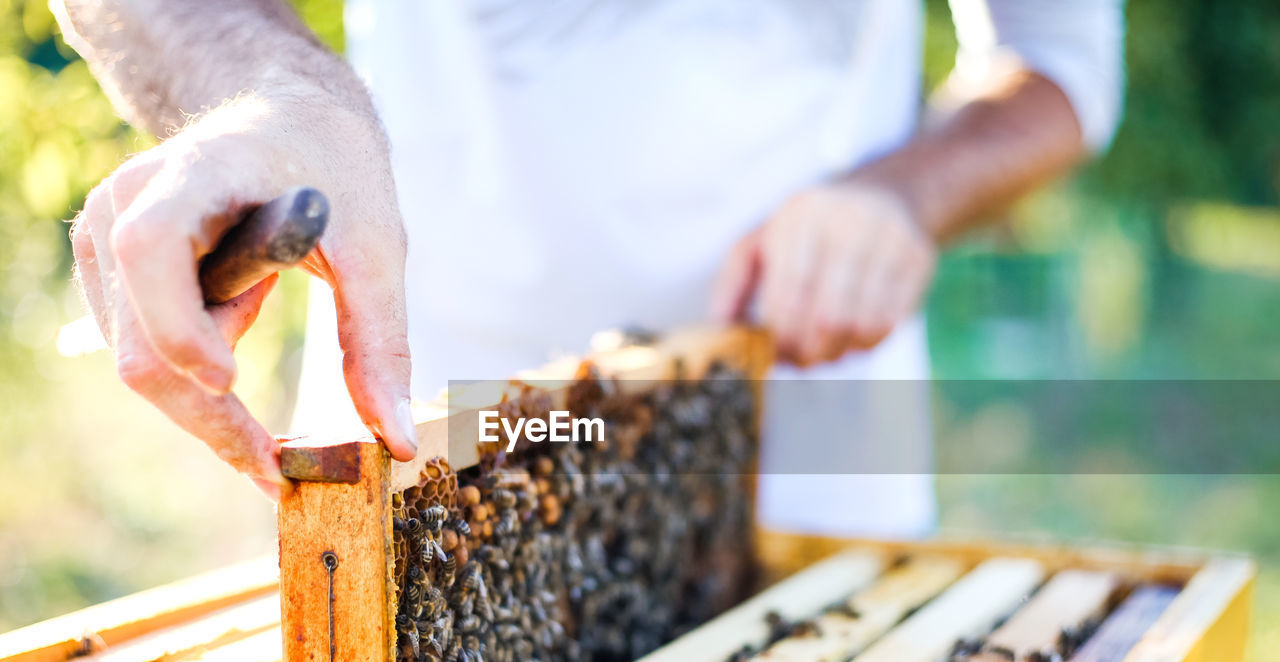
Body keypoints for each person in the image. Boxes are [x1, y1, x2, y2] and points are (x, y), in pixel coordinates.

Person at [53, 0, 1122, 536]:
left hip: (804, 447)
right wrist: (272, 97)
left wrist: (904, 193)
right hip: (429, 433)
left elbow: (1061, 69)